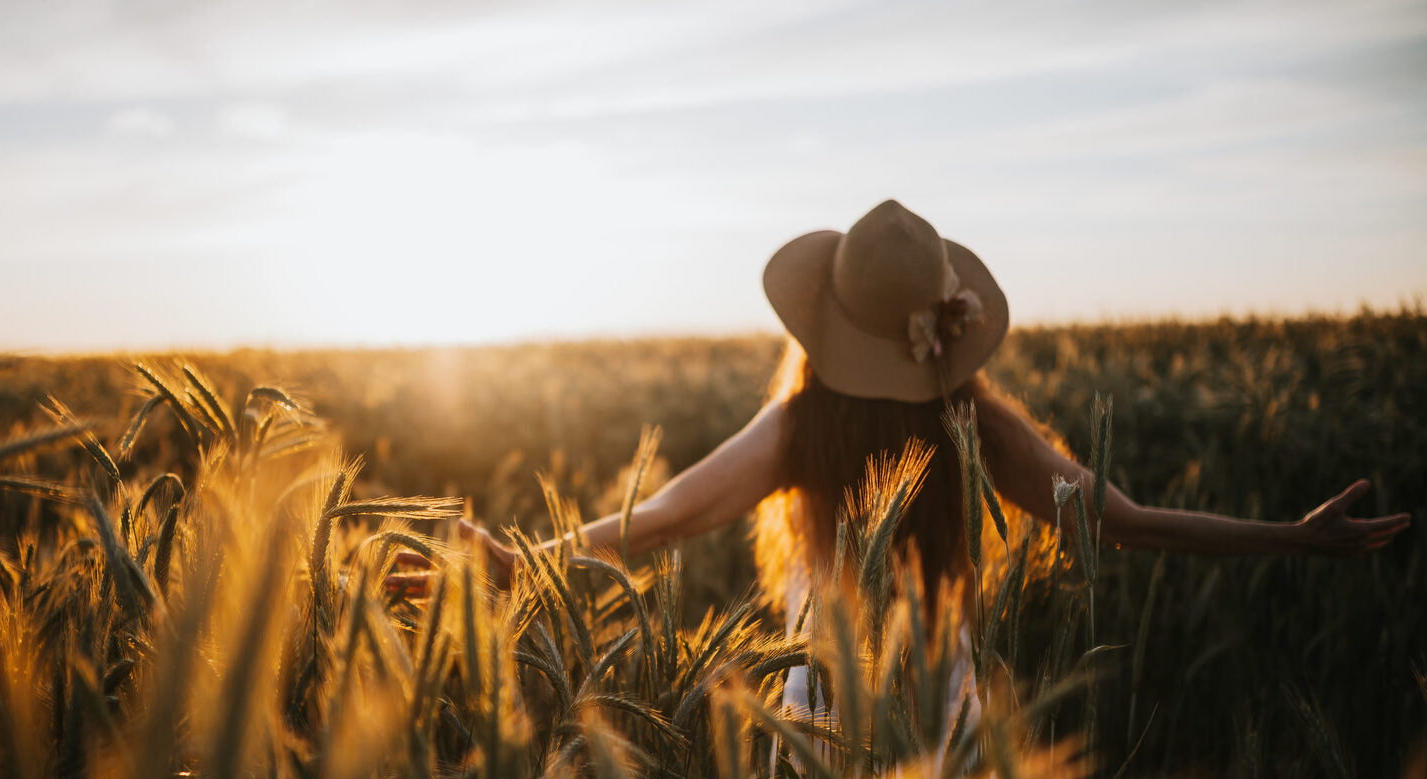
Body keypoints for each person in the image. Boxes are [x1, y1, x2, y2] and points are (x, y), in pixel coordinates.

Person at [393, 199, 1409, 607]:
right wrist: (1291, 534)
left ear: (826, 324)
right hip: (945, 719)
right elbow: (1130, 524)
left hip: (822, 718)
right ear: (944, 329)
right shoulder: (980, 428)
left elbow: (659, 522)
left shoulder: (797, 429)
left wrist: (509, 563)